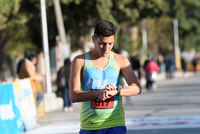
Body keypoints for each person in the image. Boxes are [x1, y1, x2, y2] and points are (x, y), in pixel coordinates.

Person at [69, 20, 141, 134]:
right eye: (102, 43)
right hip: (90, 126)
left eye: (110, 44)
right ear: (93, 39)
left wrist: (116, 92)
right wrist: (99, 94)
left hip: (115, 124)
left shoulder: (120, 60)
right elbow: (73, 96)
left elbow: (136, 88)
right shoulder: (79, 61)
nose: (106, 48)